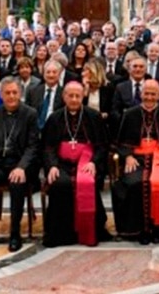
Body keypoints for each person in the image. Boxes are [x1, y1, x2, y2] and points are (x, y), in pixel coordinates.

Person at [113, 79, 159, 244]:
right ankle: (140, 230)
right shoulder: (130, 114)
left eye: (153, 94)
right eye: (147, 93)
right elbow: (120, 142)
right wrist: (128, 156)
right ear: (141, 94)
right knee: (134, 183)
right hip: (136, 159)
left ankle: (157, 228)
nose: (150, 97)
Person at [0, 79, 40, 253]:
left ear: (20, 94)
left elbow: (33, 146)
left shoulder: (30, 114)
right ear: (1, 95)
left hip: (21, 165)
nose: (11, 96)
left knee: (17, 183)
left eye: (14, 92)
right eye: (7, 93)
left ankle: (15, 233)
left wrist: (21, 167)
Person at [42, 82, 109, 247]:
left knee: (87, 182)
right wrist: (52, 166)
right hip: (61, 164)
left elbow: (102, 145)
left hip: (86, 163)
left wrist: (94, 163)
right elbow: (48, 147)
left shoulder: (93, 116)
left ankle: (90, 231)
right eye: (70, 96)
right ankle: (62, 234)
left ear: (83, 96)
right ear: (64, 96)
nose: (73, 99)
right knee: (60, 184)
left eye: (77, 96)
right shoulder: (55, 118)